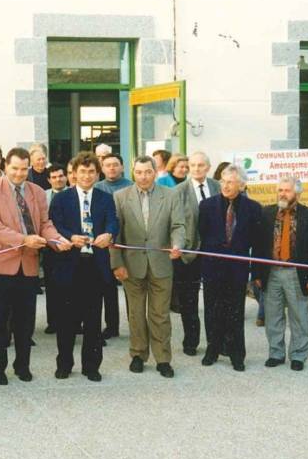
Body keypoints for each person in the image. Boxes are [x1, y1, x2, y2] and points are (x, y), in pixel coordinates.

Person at [0, 148, 70, 385]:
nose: (19, 174)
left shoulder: (37, 191)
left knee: (25, 322)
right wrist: (24, 240)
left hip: (28, 266)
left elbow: (44, 223)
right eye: (14, 168)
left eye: (23, 169)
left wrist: (56, 239)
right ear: (5, 166)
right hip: (0, 266)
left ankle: (23, 366)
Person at [110, 156, 185, 378]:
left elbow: (178, 225)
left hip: (161, 265)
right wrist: (117, 264)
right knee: (135, 313)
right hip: (131, 266)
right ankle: (138, 355)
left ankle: (163, 359)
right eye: (139, 172)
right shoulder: (120, 197)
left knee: (160, 314)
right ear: (133, 173)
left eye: (148, 172)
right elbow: (114, 234)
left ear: (155, 172)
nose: (143, 176)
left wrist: (177, 244)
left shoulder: (170, 195)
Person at [50, 152, 117, 382]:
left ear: (97, 174)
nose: (87, 176)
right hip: (69, 266)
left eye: (91, 172)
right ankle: (64, 364)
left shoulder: (105, 198)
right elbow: (55, 225)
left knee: (92, 321)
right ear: (74, 174)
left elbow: (112, 221)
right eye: (82, 171)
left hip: (95, 266)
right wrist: (71, 236)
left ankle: (91, 366)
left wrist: (109, 233)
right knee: (67, 320)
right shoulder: (61, 199)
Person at [254, 176, 308, 371]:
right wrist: (257, 274)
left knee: (299, 316)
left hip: (296, 273)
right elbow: (258, 246)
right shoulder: (266, 214)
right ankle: (275, 353)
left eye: (287, 190)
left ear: (298, 194)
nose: (283, 194)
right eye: (280, 190)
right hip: (271, 272)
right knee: (273, 315)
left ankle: (298, 355)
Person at [198, 165, 261, 371]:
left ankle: (236, 355)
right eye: (223, 182)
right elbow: (202, 236)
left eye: (231, 182)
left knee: (235, 311)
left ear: (242, 185)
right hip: (213, 268)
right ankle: (212, 350)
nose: (225, 186)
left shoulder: (253, 208)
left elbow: (256, 242)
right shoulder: (207, 206)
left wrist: (256, 272)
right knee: (212, 310)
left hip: (237, 269)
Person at [173, 152, 219, 356]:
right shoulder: (177, 191)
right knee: (188, 301)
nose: (196, 169)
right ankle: (191, 341)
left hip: (215, 253)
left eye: (201, 165)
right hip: (188, 253)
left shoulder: (219, 187)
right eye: (192, 165)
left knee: (214, 299)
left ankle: (215, 342)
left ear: (208, 167)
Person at [94, 154, 133, 339]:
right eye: (107, 165)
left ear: (122, 167)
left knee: (130, 288)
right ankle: (112, 326)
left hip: (127, 243)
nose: (112, 168)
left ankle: (136, 325)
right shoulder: (97, 188)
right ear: (102, 169)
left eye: (115, 165)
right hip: (103, 244)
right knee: (107, 287)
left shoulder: (131, 187)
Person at [43, 163, 68, 334]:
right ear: (48, 180)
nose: (58, 180)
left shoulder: (74, 194)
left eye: (60, 176)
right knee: (51, 287)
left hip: (69, 246)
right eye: (54, 177)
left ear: (66, 176)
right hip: (49, 248)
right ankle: (53, 322)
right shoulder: (43, 196)